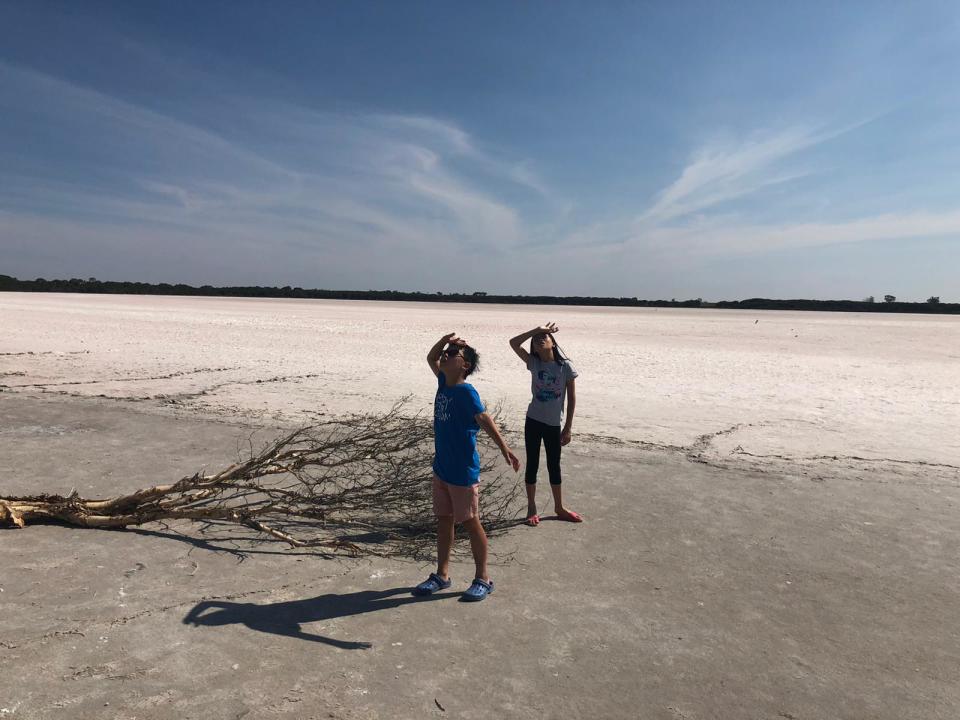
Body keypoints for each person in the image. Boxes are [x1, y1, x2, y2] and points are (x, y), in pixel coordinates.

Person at [413, 332, 520, 602]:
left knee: (471, 523)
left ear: (465, 366)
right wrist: (447, 341)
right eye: (447, 353)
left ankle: (483, 578)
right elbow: (431, 357)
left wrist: (504, 447)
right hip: (442, 469)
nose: (446, 356)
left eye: (453, 355)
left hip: (462, 472)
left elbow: (483, 417)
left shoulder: (465, 391)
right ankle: (442, 575)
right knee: (444, 520)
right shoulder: (443, 382)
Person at [509, 322, 581, 525]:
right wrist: (536, 330)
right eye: (537, 340)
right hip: (533, 420)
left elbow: (572, 399)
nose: (540, 340)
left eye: (544, 337)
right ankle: (532, 507)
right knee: (532, 463)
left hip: (553, 425)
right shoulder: (534, 363)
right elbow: (513, 343)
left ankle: (559, 507)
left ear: (553, 343)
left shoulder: (565, 366)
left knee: (554, 465)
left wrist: (568, 428)